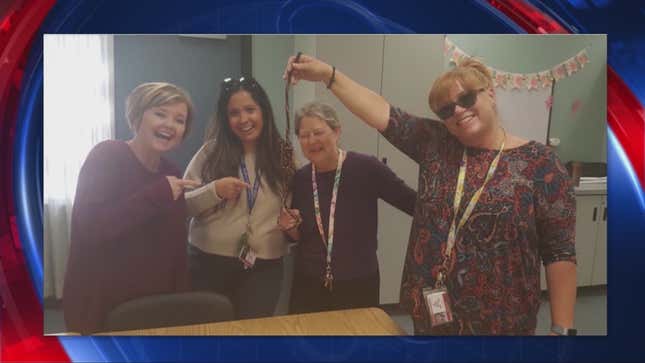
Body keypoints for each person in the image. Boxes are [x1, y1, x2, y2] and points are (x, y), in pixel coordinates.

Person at [283, 54, 577, 335]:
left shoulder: (540, 164)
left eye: (466, 99)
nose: (458, 111)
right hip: (433, 311)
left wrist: (561, 328)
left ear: (490, 94)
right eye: (446, 110)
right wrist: (328, 75)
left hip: (502, 320)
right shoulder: (436, 144)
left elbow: (560, 252)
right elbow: (381, 111)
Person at [63, 82, 199, 334]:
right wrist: (157, 194)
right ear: (138, 116)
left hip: (155, 308)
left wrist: (181, 308)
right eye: (160, 114)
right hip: (103, 308)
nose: (170, 124)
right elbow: (92, 228)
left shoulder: (172, 172)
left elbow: (175, 249)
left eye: (179, 120)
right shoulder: (106, 156)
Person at [278, 102, 416, 314]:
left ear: (336, 132)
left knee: (358, 343)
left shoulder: (366, 168)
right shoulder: (301, 178)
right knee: (309, 344)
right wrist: (289, 227)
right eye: (304, 135)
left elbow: (412, 203)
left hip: (358, 281)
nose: (311, 141)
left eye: (318, 132)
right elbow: (299, 236)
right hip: (309, 282)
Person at [184, 77, 295, 320]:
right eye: (234, 113)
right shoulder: (210, 152)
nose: (243, 119)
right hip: (208, 262)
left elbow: (293, 207)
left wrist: (294, 222)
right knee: (211, 339)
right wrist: (214, 191)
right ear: (226, 119)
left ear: (263, 111)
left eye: (250, 110)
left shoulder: (283, 154)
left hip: (264, 266)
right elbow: (183, 206)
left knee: (251, 339)